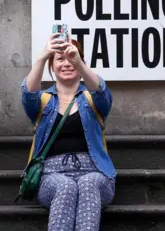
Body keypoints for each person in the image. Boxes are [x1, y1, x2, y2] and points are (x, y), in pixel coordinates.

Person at [20, 32, 117, 230]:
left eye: (71, 58)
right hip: (50, 175)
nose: (66, 63)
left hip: (96, 173)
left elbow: (101, 92)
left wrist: (79, 62)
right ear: (52, 66)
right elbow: (28, 93)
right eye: (60, 59)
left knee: (88, 183)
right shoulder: (44, 101)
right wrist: (42, 56)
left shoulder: (92, 99)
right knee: (66, 186)